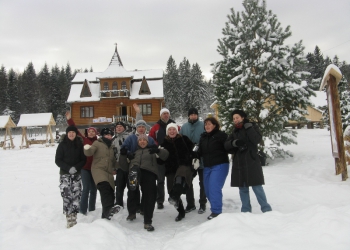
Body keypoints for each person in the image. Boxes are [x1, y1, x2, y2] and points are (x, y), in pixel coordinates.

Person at [224, 109, 272, 213]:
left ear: (242, 117)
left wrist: (249, 128)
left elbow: (256, 139)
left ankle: (266, 208)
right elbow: (226, 145)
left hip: (252, 161)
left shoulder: (252, 126)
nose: (235, 120)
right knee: (243, 189)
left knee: (257, 187)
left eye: (237, 117)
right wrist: (234, 143)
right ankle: (245, 210)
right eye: (234, 118)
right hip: (239, 163)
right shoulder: (234, 131)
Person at [122, 134, 169, 231]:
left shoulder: (152, 151)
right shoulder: (134, 153)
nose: (142, 141)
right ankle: (132, 212)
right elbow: (123, 165)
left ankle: (147, 221)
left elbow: (165, 155)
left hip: (149, 172)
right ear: (137, 142)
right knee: (132, 189)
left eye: (144, 140)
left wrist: (158, 150)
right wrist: (125, 155)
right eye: (140, 140)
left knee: (150, 194)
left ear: (147, 142)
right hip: (135, 170)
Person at [119, 119, 157, 221]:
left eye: (143, 127)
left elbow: (156, 149)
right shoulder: (131, 138)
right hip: (134, 166)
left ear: (145, 128)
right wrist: (128, 153)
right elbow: (123, 149)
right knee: (133, 189)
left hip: (146, 166)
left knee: (146, 190)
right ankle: (132, 211)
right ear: (136, 128)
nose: (141, 129)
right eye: (139, 127)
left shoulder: (150, 138)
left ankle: (144, 208)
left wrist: (154, 149)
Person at [84, 127, 121, 220]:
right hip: (98, 170)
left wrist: (122, 165)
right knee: (104, 187)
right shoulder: (97, 143)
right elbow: (90, 152)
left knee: (111, 192)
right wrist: (87, 148)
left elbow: (113, 161)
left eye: (110, 135)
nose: (108, 136)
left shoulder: (112, 147)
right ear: (102, 135)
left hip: (109, 172)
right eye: (106, 135)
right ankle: (108, 209)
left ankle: (106, 215)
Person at [161, 123, 195, 222]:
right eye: (170, 130)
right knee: (172, 192)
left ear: (177, 130)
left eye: (174, 129)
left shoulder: (184, 139)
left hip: (184, 165)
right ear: (167, 131)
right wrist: (158, 154)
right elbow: (161, 159)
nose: (172, 131)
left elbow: (194, 149)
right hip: (170, 169)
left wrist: (194, 158)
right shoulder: (164, 143)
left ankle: (185, 201)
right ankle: (181, 211)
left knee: (179, 180)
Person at [65, 111, 98, 215]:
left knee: (94, 190)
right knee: (86, 189)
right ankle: (83, 210)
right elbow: (75, 130)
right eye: (89, 131)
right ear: (87, 133)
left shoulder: (99, 142)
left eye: (93, 131)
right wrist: (69, 119)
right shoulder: (84, 140)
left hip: (95, 169)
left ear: (96, 133)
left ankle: (92, 209)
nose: (91, 133)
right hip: (85, 168)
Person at [198, 117, 229, 220]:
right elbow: (199, 151)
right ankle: (215, 206)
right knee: (207, 189)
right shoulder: (203, 137)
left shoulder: (221, 136)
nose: (207, 126)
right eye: (205, 124)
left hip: (220, 165)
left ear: (215, 125)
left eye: (209, 124)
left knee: (214, 187)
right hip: (207, 166)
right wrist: (192, 155)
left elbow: (229, 147)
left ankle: (216, 211)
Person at [55, 125, 86, 228]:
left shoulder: (79, 144)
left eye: (73, 132)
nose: (71, 134)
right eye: (69, 133)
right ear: (67, 134)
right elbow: (58, 160)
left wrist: (76, 168)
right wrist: (68, 168)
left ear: (76, 134)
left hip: (76, 174)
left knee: (76, 194)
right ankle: (69, 216)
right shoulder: (62, 145)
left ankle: (74, 215)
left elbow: (83, 159)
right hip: (65, 173)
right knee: (67, 194)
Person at [113, 103, 143, 208]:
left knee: (134, 186)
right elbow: (112, 155)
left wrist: (138, 113)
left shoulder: (131, 136)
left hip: (130, 165)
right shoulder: (113, 140)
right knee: (119, 187)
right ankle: (119, 204)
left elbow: (138, 126)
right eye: (117, 126)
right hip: (120, 166)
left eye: (121, 126)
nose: (119, 128)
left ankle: (137, 204)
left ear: (124, 128)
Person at [149, 108, 179, 209]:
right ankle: (160, 200)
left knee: (172, 178)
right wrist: (157, 147)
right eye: (164, 114)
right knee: (160, 180)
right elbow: (151, 138)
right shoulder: (156, 127)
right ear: (160, 115)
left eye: (167, 113)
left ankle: (173, 197)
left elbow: (180, 136)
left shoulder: (174, 125)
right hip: (160, 156)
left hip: (172, 157)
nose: (165, 115)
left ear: (169, 115)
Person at [179, 107, 207, 214]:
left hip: (201, 157)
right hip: (189, 159)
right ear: (189, 116)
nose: (193, 116)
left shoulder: (203, 125)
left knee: (203, 182)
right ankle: (190, 204)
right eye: (191, 114)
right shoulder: (184, 127)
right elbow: (180, 140)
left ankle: (203, 203)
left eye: (195, 114)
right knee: (188, 182)